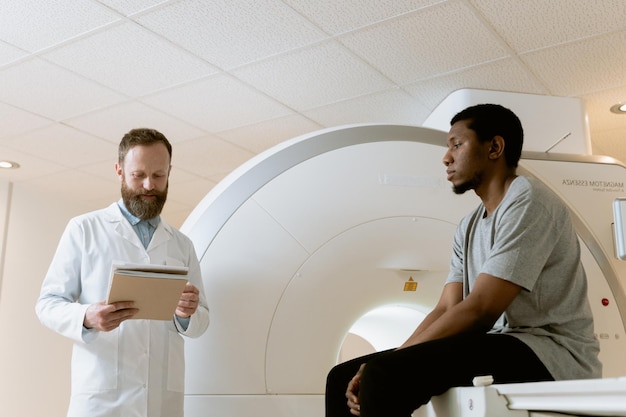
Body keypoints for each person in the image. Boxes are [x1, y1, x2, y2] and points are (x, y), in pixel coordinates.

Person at [325, 104, 602, 417]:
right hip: (502, 345)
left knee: (383, 375)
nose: (446, 157)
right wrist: (387, 357)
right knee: (341, 378)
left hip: (551, 352)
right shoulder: (468, 226)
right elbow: (447, 307)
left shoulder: (529, 199)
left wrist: (384, 364)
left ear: (494, 147)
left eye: (457, 144)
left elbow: (481, 310)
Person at [35, 128, 209, 417]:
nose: (148, 185)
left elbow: (202, 319)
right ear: (119, 171)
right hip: (101, 400)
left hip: (161, 401)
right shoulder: (84, 229)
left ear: (169, 172)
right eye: (138, 175)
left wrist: (187, 314)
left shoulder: (182, 244)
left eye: (158, 175)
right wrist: (87, 317)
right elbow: (47, 304)